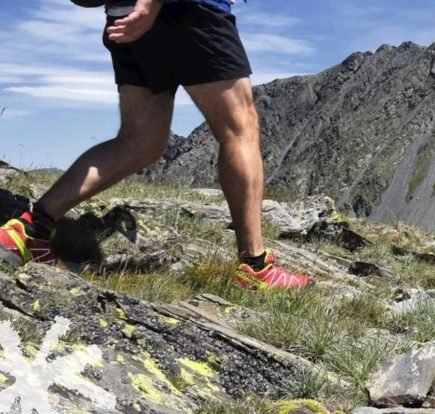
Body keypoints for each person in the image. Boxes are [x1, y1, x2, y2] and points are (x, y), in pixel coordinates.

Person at [0, 0, 313, 289]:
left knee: (141, 141)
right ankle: (255, 267)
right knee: (240, 130)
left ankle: (29, 230)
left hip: (124, 16)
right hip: (188, 12)